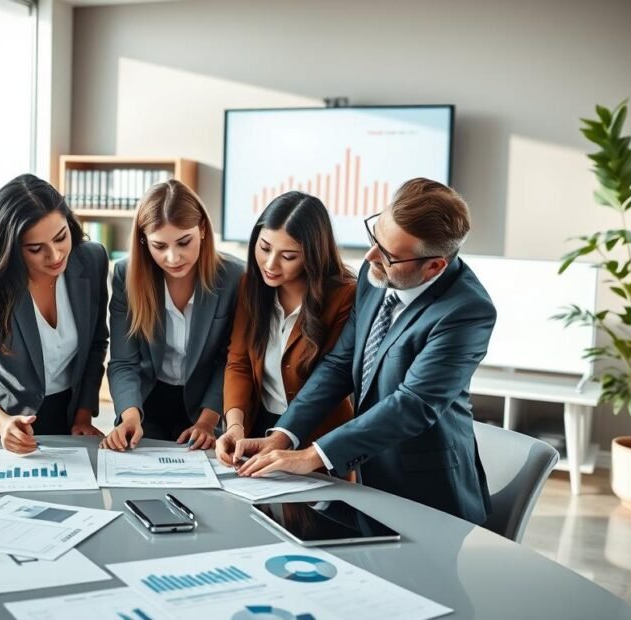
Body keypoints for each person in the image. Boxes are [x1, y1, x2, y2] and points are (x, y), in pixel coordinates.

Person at [228, 178, 496, 525]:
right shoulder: (376, 275)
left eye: (388, 254)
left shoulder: (466, 311)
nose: (370, 258)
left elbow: (412, 404)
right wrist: (283, 435)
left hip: (427, 490)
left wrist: (314, 455)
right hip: (366, 477)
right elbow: (339, 365)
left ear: (434, 266)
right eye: (374, 238)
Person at [0, 173, 109, 454]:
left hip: (65, 424)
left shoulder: (91, 261)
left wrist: (84, 415)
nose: (56, 255)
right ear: (11, 248)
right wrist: (1, 423)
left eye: (61, 238)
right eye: (36, 249)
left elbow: (96, 345)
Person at [216, 191, 356, 466]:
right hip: (257, 428)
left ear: (312, 256)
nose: (270, 264)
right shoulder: (250, 286)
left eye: (288, 256)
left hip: (316, 440)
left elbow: (329, 379)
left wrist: (284, 438)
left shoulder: (344, 296)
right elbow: (239, 362)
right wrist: (234, 424)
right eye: (265, 248)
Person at [102, 179, 244, 452]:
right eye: (159, 246)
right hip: (145, 402)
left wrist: (208, 420)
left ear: (202, 229)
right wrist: (129, 415)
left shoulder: (235, 277)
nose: (173, 257)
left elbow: (228, 361)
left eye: (183, 242)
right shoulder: (125, 275)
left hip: (206, 406)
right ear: (143, 241)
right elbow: (123, 361)